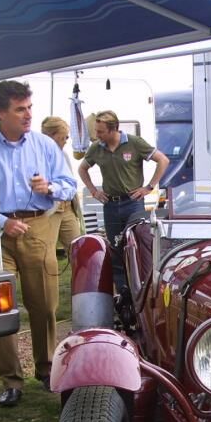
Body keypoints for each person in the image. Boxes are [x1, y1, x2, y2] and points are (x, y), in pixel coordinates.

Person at [0, 80, 77, 408]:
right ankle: (11, 380)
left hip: (37, 227)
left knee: (44, 305)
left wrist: (50, 187)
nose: (28, 115)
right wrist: (2, 222)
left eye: (29, 108)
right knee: (1, 308)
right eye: (20, 109)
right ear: (2, 112)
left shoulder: (44, 145)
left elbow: (70, 185)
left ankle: (46, 369)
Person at [78, 110, 169, 289]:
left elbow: (163, 160)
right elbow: (82, 169)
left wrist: (149, 187)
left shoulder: (134, 143)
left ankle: (143, 288)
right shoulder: (96, 147)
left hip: (133, 203)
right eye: (96, 131)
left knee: (137, 245)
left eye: (100, 131)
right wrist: (93, 191)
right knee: (116, 247)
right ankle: (123, 292)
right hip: (110, 204)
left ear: (114, 130)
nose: (97, 135)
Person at [40, 116, 85, 251]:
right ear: (50, 136)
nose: (66, 141)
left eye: (67, 137)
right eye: (63, 137)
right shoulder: (37, 155)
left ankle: (81, 272)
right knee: (47, 251)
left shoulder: (63, 154)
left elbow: (70, 181)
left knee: (78, 249)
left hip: (67, 207)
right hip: (50, 209)